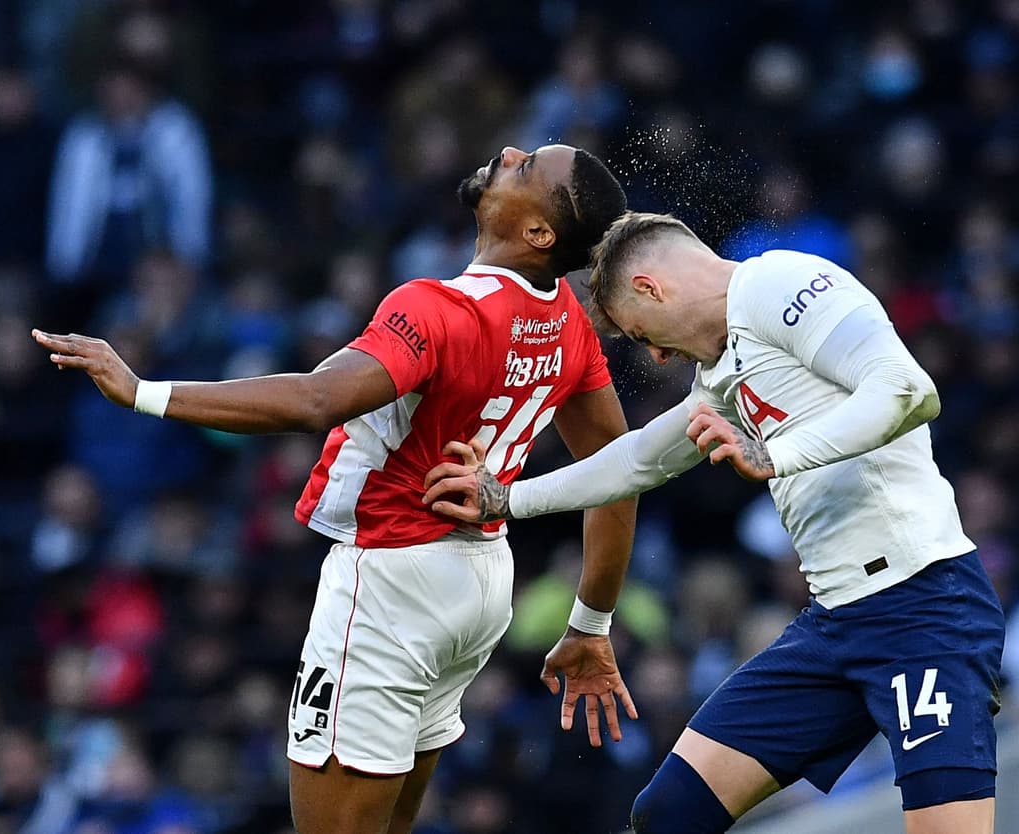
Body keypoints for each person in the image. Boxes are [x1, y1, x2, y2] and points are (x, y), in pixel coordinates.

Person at [32, 144, 640, 834]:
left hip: (390, 581)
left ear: (539, 233)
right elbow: (621, 471)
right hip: (479, 583)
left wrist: (143, 392)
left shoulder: (434, 307)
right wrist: (592, 621)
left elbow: (319, 400)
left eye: (528, 166)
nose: (507, 153)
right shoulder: (566, 320)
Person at [424, 211, 1006, 834]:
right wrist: (505, 498)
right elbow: (638, 459)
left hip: (923, 607)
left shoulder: (782, 283)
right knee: (669, 814)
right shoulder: (722, 368)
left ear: (651, 289)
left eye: (638, 329)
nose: (653, 351)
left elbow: (907, 389)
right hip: (838, 622)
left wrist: (778, 454)